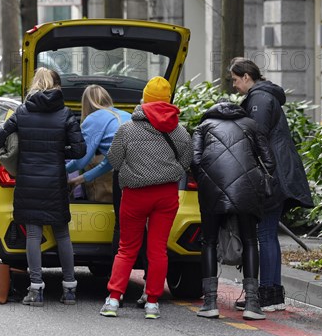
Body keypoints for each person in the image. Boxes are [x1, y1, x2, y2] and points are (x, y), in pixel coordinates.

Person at [0, 67, 86, 307]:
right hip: (54, 181)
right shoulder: (65, 114)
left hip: (28, 181)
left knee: (33, 234)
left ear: (35, 84)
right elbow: (79, 150)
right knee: (62, 234)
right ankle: (69, 290)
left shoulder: (22, 111)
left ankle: (36, 289)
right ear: (57, 86)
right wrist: (56, 150)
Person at [100, 76, 192, 319]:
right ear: (168, 100)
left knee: (127, 248)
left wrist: (134, 170)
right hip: (166, 195)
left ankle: (113, 299)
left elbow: (114, 160)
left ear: (144, 99)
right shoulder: (180, 131)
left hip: (134, 195)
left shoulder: (127, 129)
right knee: (158, 249)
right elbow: (185, 163)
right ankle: (152, 302)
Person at [228, 58, 314, 311]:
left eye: (235, 80)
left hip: (270, 175)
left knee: (264, 234)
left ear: (246, 77)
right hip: (279, 174)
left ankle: (266, 293)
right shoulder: (266, 96)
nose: (234, 86)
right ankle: (273, 294)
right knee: (268, 234)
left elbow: (256, 137)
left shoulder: (260, 99)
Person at [191, 100, 275, 320]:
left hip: (212, 187)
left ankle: (210, 302)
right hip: (246, 189)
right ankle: (252, 303)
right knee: (249, 240)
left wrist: (208, 179)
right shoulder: (252, 125)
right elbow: (269, 161)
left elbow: (194, 160)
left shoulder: (203, 127)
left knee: (208, 241)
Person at [65, 84, 131, 255]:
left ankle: (116, 274)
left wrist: (59, 169)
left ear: (86, 104)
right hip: (145, 172)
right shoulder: (126, 115)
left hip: (124, 176)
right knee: (142, 225)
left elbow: (80, 160)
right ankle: (148, 275)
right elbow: (109, 162)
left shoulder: (94, 119)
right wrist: (79, 180)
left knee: (121, 225)